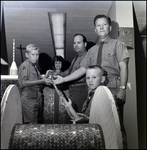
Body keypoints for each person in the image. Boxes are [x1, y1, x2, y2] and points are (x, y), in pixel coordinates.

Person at [54, 14, 129, 149]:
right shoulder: (92, 50)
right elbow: (82, 69)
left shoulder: (117, 44)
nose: (101, 27)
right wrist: (63, 79)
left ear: (110, 27)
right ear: (95, 30)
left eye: (104, 24)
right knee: (94, 126)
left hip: (112, 88)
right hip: (93, 91)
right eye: (98, 25)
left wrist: (123, 89)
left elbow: (124, 66)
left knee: (115, 127)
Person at [18, 44, 51, 124]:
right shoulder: (25, 66)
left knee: (37, 124)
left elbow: (38, 83)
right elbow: (23, 83)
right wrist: (42, 81)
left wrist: (45, 77)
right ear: (27, 55)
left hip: (36, 99)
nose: (35, 57)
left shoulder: (34, 67)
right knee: (32, 126)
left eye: (37, 54)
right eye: (33, 54)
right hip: (29, 100)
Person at [58, 33, 89, 114]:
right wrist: (58, 74)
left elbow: (81, 71)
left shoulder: (87, 56)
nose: (76, 45)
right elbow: (69, 71)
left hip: (81, 91)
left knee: (76, 118)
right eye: (74, 43)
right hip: (74, 91)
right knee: (72, 117)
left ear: (85, 44)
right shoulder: (76, 57)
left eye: (79, 43)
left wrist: (63, 80)